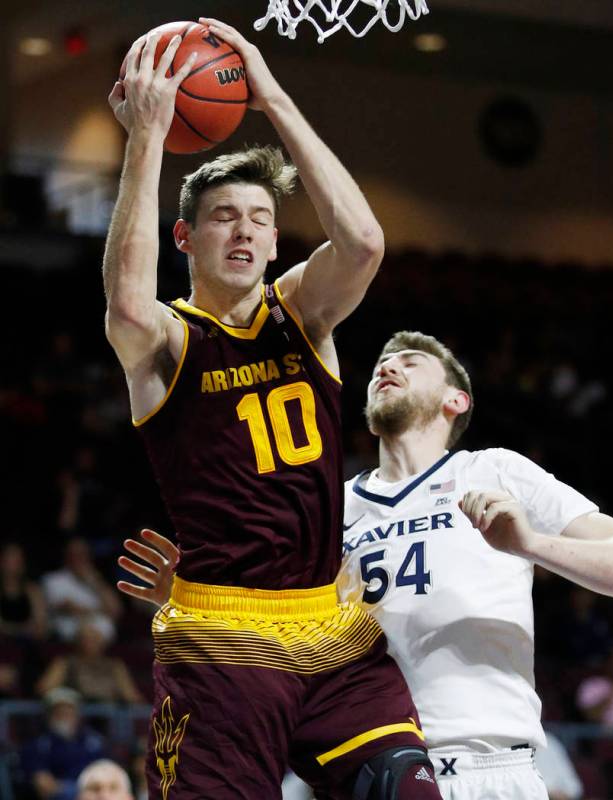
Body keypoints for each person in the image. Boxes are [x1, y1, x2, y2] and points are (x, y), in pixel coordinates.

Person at [104, 16, 440, 800]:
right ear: (184, 237)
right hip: (222, 640)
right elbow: (124, 305)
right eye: (225, 217)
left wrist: (274, 96)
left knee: (406, 790)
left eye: (260, 219)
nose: (247, 230)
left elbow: (361, 243)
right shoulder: (167, 338)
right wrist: (147, 134)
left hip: (335, 632)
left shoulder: (302, 314)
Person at [120, 330, 613, 800]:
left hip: (486, 769)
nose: (389, 365)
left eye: (411, 361)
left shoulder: (496, 471)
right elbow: (273, 634)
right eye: (383, 361)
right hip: (364, 769)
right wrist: (195, 600)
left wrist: (530, 544)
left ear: (456, 400)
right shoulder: (325, 508)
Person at [20, 687, 105, 800]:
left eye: (69, 711)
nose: (65, 716)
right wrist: (80, 792)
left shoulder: (94, 742)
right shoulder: (37, 745)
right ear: (49, 715)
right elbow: (44, 786)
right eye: (59, 712)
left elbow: (108, 775)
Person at [36, 620, 143, 704]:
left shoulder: (114, 666)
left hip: (109, 716)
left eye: (94, 639)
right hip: (77, 715)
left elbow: (131, 696)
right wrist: (69, 697)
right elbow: (45, 688)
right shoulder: (65, 663)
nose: (89, 643)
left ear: (103, 642)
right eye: (85, 638)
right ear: (77, 640)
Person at [42, 537, 121, 643]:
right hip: (72, 636)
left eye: (83, 554)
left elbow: (116, 610)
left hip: (104, 641)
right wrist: (100, 610)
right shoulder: (54, 579)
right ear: (66, 555)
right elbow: (69, 607)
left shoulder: (95, 580)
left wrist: (95, 583)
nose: (80, 558)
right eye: (75, 554)